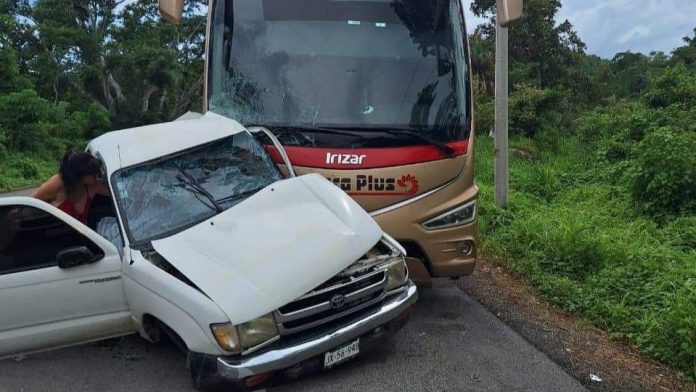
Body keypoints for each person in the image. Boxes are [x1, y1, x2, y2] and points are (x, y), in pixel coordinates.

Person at [32, 150, 110, 223]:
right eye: (93, 172)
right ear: (81, 174)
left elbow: (118, 194)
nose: (97, 175)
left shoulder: (93, 186)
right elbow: (29, 203)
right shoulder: (58, 183)